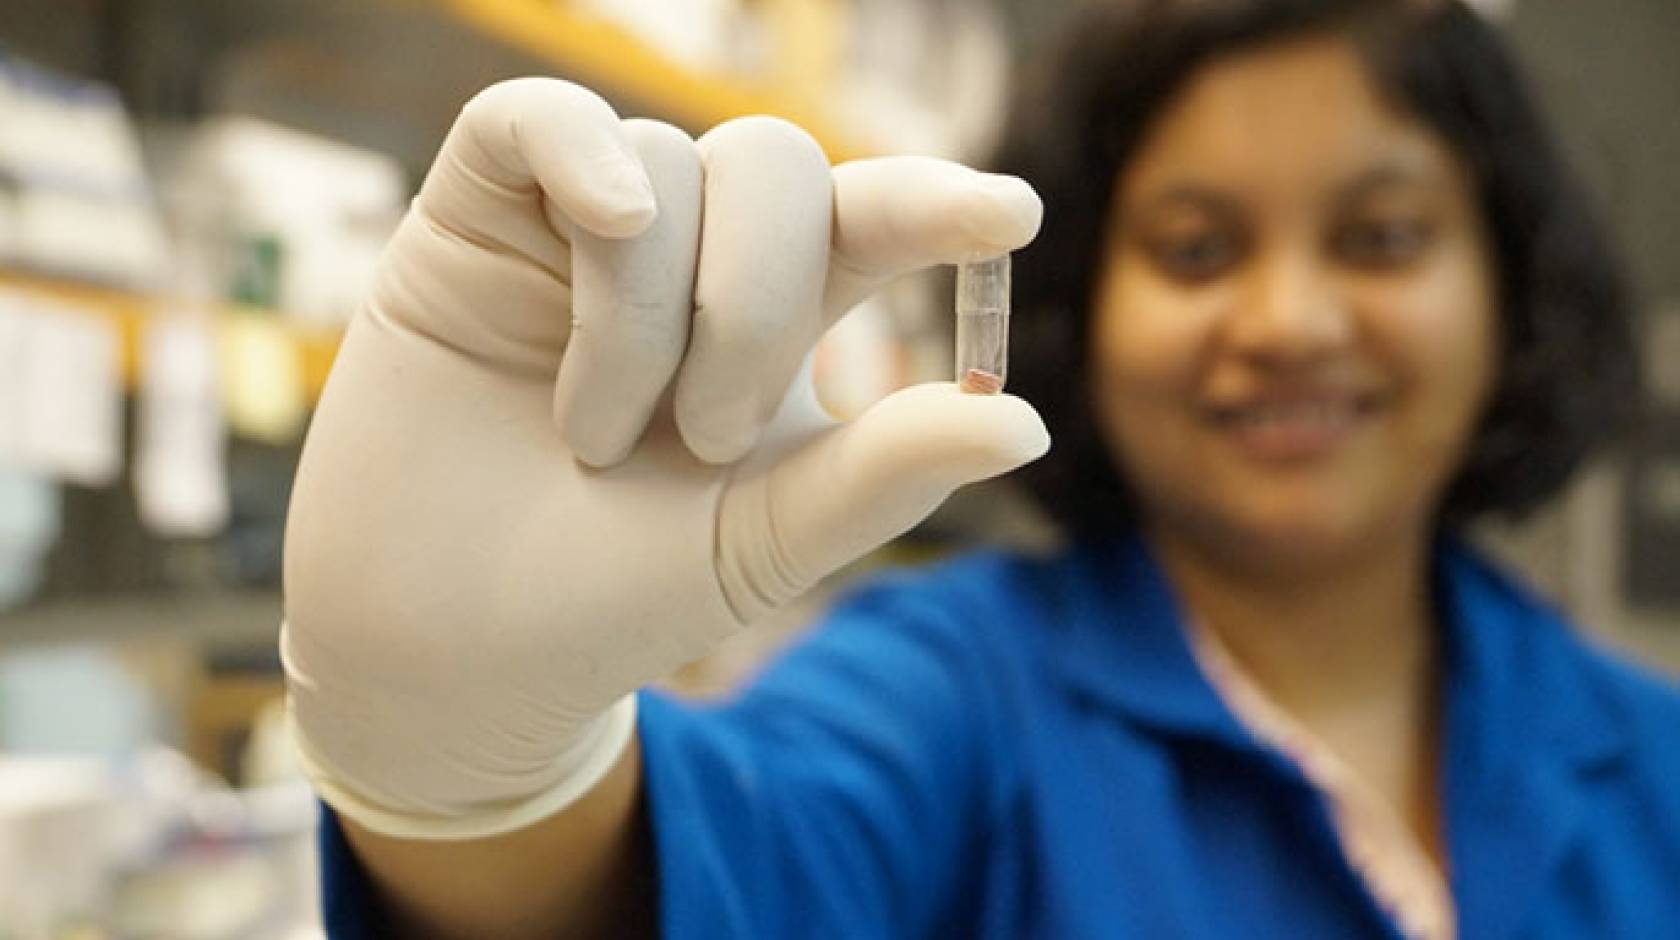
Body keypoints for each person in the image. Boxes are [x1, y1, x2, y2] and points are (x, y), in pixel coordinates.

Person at [281, 0, 1680, 937]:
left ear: (1511, 289)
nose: (1290, 323)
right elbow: (736, 866)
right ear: (1081, 301)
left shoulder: (1648, 748)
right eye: (1194, 249)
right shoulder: (942, 693)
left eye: (1379, 239)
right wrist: (475, 792)